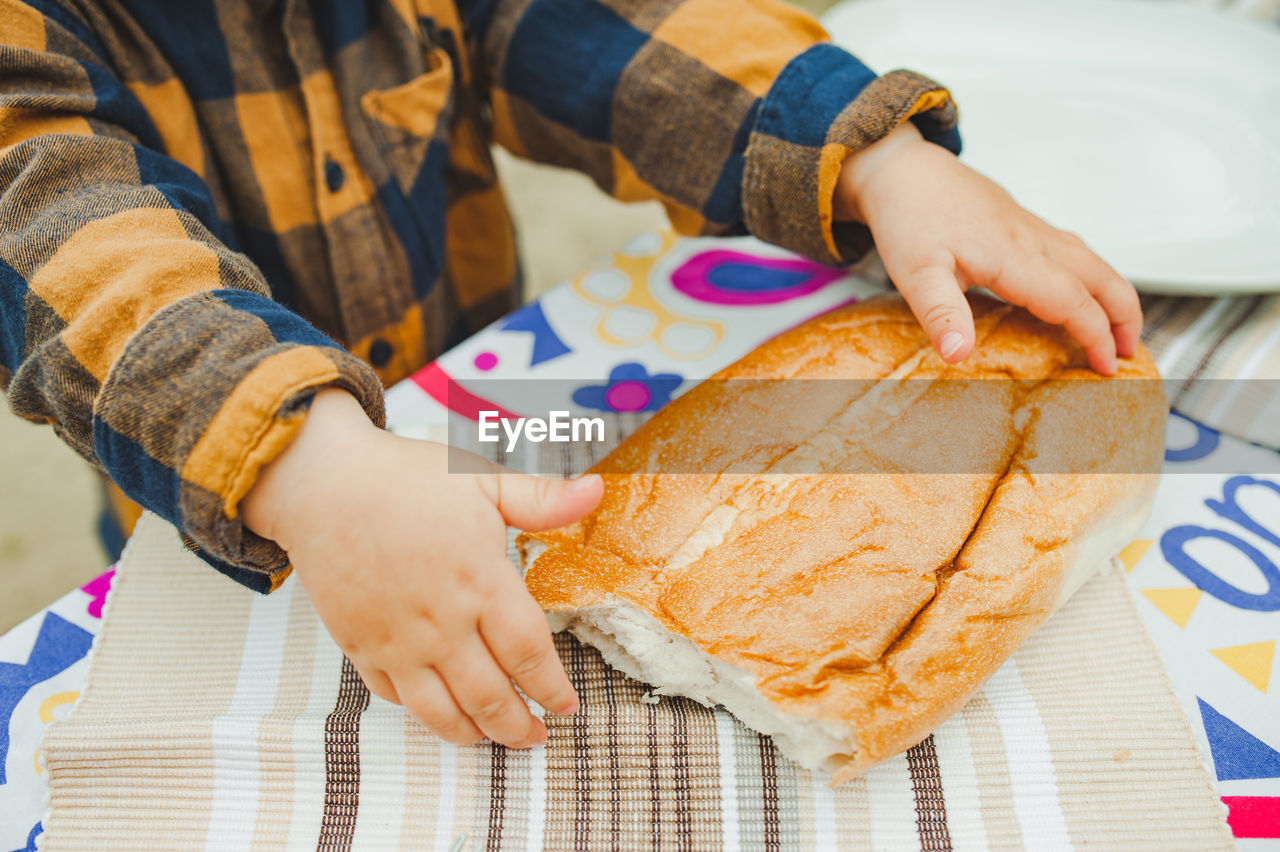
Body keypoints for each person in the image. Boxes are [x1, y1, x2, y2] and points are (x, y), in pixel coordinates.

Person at [0, 0, 1141, 751]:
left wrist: (867, 154)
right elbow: (66, 240)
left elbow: (614, 35)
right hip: (239, 500)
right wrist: (305, 465)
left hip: (489, 417)